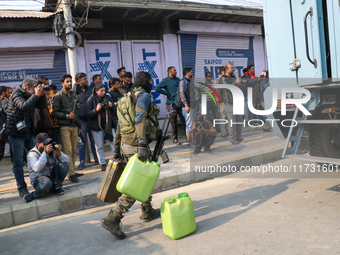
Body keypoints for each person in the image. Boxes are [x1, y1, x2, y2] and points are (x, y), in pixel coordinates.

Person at [101, 71, 161, 240]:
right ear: (147, 82)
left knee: (142, 178)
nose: (152, 84)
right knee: (137, 183)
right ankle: (113, 218)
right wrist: (142, 143)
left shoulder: (124, 98)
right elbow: (140, 118)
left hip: (127, 145)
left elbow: (119, 126)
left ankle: (147, 210)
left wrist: (116, 149)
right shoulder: (143, 96)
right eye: (151, 81)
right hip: (136, 144)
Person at [6, 78, 44, 197]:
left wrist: (41, 95)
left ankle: (41, 183)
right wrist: (36, 95)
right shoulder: (16, 93)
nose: (35, 90)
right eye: (34, 88)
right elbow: (23, 106)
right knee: (18, 163)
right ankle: (22, 188)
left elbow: (41, 106)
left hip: (28, 132)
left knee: (37, 156)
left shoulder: (31, 95)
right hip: (16, 134)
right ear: (28, 87)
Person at [53, 74, 82, 183]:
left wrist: (79, 126)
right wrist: (66, 116)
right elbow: (55, 113)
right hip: (64, 126)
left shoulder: (74, 95)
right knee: (68, 150)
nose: (69, 83)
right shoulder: (58, 96)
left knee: (74, 150)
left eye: (70, 81)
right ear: (62, 83)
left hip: (74, 126)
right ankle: (71, 173)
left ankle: (72, 171)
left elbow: (76, 112)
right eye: (67, 81)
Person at [24, 133, 69, 202]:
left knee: (64, 166)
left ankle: (55, 187)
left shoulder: (52, 150)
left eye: (49, 143)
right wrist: (45, 153)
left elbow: (67, 160)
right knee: (46, 182)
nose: (48, 146)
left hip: (51, 177)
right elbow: (36, 168)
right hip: (39, 180)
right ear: (38, 145)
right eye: (45, 144)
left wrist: (60, 154)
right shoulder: (32, 154)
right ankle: (35, 194)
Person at [86, 83, 117, 171]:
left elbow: (115, 110)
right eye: (101, 91)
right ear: (96, 91)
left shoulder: (108, 97)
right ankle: (102, 163)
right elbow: (87, 114)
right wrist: (96, 110)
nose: (104, 92)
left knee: (113, 142)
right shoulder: (91, 99)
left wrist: (112, 106)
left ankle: (116, 159)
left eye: (104, 90)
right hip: (96, 125)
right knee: (99, 145)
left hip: (108, 124)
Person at [73, 72, 99, 169]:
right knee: (82, 142)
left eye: (86, 78)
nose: (87, 80)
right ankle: (82, 161)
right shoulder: (74, 91)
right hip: (81, 121)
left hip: (92, 118)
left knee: (94, 140)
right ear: (79, 81)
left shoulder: (91, 90)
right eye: (84, 79)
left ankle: (97, 159)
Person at [155, 66, 186, 145]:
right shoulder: (165, 80)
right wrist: (167, 93)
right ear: (170, 72)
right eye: (174, 70)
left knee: (184, 119)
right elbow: (157, 88)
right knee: (173, 121)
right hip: (171, 103)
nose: (176, 71)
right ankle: (175, 139)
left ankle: (188, 137)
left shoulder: (178, 80)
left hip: (179, 103)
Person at [215, 64, 245, 145]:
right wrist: (236, 83)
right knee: (232, 121)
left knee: (239, 120)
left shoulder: (232, 78)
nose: (233, 69)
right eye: (231, 68)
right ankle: (232, 139)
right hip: (228, 102)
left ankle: (238, 137)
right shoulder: (223, 79)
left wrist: (240, 85)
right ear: (226, 70)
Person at [179, 68, 197, 140]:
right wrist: (186, 105)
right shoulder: (183, 82)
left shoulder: (190, 82)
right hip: (188, 106)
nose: (192, 74)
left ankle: (194, 140)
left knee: (193, 124)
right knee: (189, 124)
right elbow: (182, 94)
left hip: (193, 105)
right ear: (187, 73)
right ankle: (190, 141)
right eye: (191, 72)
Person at [0, 86, 8, 162]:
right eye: (7, 92)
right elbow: (9, 113)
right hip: (3, 131)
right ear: (3, 93)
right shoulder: (4, 102)